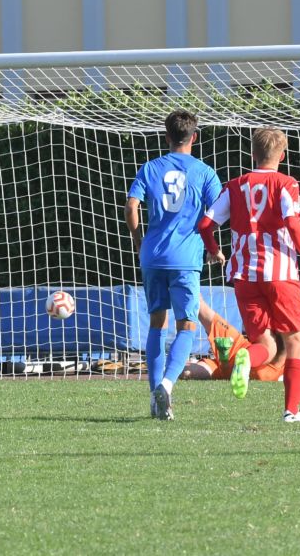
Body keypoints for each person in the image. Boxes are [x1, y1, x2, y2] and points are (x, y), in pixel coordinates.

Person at [198, 126, 300, 423]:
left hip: (245, 276)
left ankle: (246, 357)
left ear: (252, 154)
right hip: (280, 274)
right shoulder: (286, 183)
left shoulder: (235, 185)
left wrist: (213, 250)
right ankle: (291, 411)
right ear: (283, 155)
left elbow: (205, 225)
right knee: (295, 341)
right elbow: (293, 223)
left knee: (266, 345)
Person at [125, 109, 222, 421]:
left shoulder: (151, 168)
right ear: (195, 137)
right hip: (185, 259)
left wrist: (139, 241)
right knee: (187, 326)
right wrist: (212, 247)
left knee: (157, 323)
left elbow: (131, 206)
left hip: (153, 257)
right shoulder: (204, 172)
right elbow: (217, 213)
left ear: (167, 136)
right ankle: (166, 386)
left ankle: (156, 398)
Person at [181, 297, 285, 383]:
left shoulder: (287, 367)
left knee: (187, 373)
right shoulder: (239, 345)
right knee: (186, 373)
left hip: (227, 369)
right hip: (229, 357)